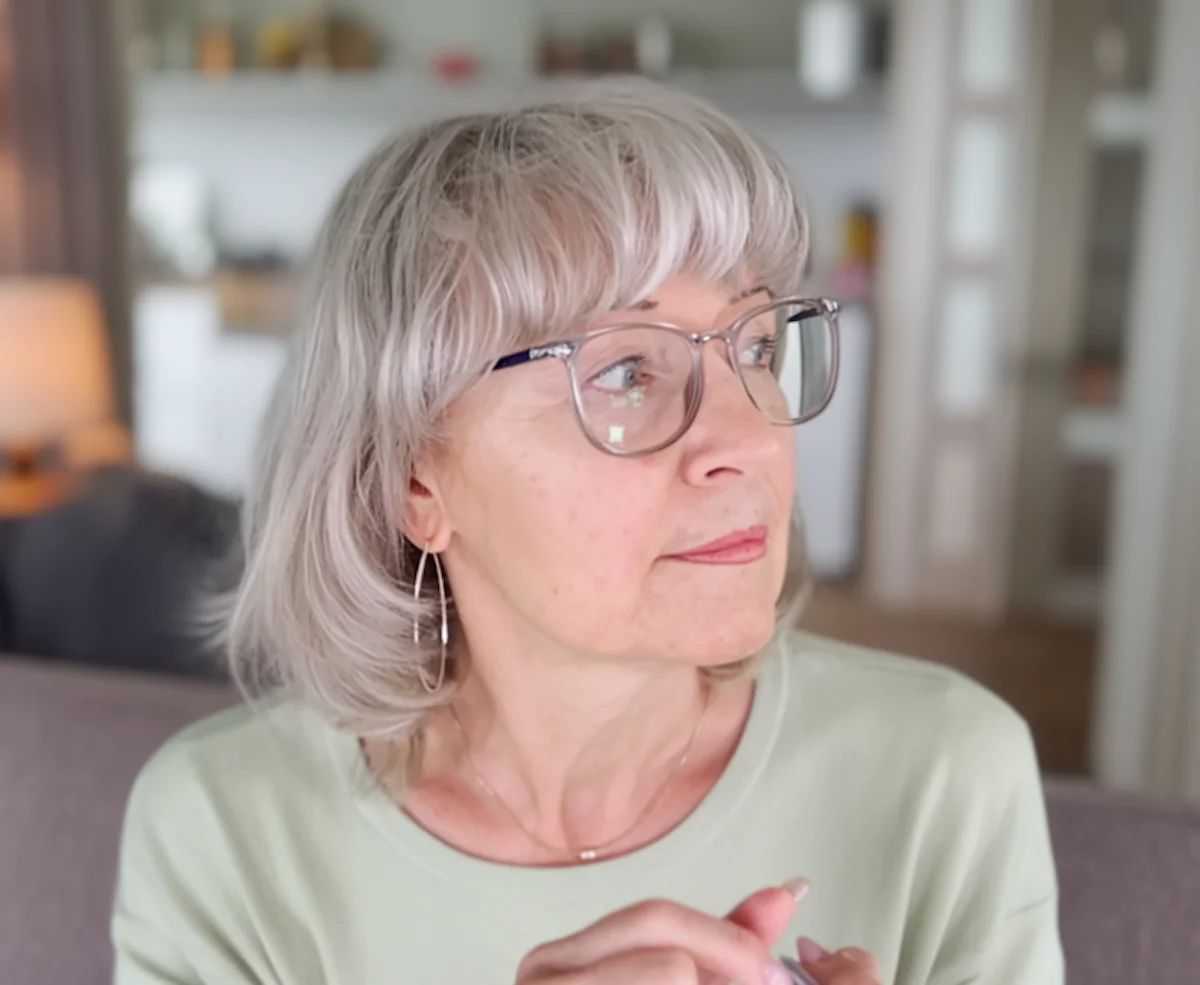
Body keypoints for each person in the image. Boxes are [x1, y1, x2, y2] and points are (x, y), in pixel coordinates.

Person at [111, 82, 1063, 985]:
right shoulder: (223, 833)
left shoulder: (949, 773)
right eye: (625, 373)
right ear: (412, 479)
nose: (749, 439)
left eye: (758, 348)